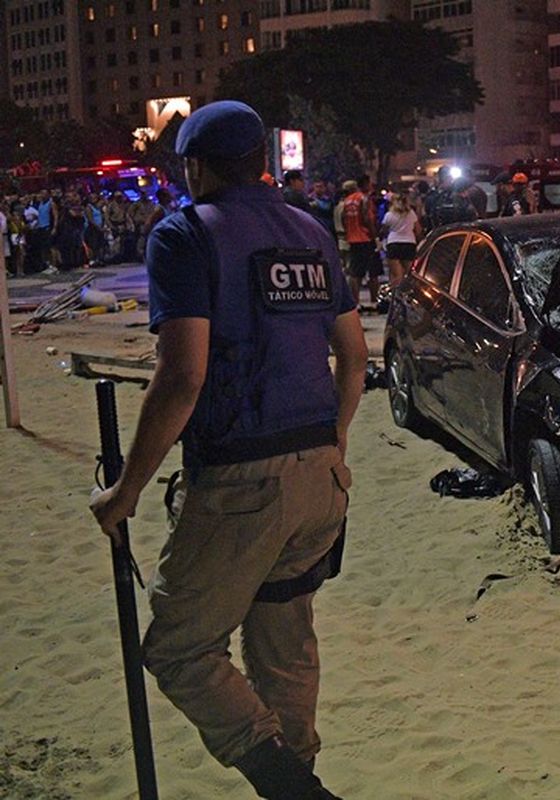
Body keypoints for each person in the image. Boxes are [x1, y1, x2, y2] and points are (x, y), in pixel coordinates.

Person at [89, 100, 365, 800]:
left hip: (244, 476)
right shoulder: (310, 231)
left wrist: (126, 489)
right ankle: (295, 774)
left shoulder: (185, 235)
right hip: (321, 475)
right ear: (263, 162)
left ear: (195, 164)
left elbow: (183, 376)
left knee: (179, 648)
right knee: (283, 643)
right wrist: (333, 440)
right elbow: (354, 356)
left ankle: (294, 790)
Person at [340, 174, 380, 308]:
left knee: (354, 273)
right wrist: (375, 237)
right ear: (366, 184)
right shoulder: (364, 199)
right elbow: (367, 219)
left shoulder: (347, 201)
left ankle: (355, 302)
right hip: (365, 238)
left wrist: (348, 233)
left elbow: (343, 219)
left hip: (352, 239)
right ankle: (374, 301)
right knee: (373, 271)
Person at [380, 189, 421, 285]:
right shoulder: (411, 214)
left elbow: (383, 230)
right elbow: (418, 230)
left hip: (393, 243)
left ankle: (396, 294)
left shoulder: (389, 215)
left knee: (396, 275)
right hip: (409, 243)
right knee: (408, 275)